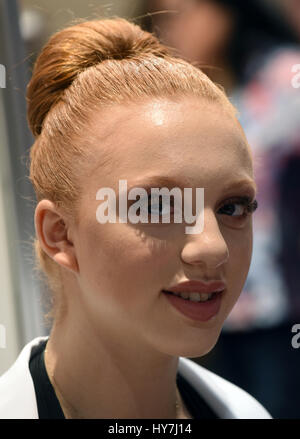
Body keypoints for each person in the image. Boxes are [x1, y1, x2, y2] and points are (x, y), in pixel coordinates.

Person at [0, 16, 272, 419]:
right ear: (61, 235)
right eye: (159, 206)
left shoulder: (247, 412)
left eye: (232, 207)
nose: (213, 248)